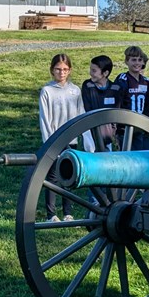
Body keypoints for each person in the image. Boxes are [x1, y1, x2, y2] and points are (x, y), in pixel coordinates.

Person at [40, 53, 89, 222]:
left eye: (65, 69)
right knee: (53, 177)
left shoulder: (75, 91)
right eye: (58, 69)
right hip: (55, 139)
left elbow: (81, 115)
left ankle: (68, 213)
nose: (61, 73)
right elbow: (45, 119)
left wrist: (86, 139)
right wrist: (50, 142)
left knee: (69, 176)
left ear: (70, 71)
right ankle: (51, 214)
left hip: (71, 140)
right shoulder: (47, 91)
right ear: (52, 70)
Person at [114, 45, 149, 149]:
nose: (137, 63)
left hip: (140, 125)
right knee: (126, 155)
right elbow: (117, 103)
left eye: (140, 60)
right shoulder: (122, 79)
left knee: (140, 154)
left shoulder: (147, 82)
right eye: (133, 60)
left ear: (143, 62)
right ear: (126, 61)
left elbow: (148, 106)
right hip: (125, 126)